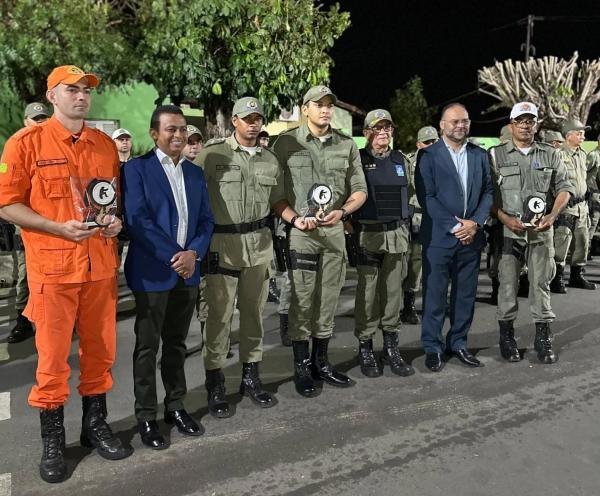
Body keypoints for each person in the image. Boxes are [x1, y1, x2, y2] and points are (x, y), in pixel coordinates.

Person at [0, 65, 132, 483]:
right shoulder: (25, 143)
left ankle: (94, 425)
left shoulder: (103, 146)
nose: (80, 96)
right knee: (53, 362)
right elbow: (6, 205)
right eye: (70, 90)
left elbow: (109, 202)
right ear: (52, 96)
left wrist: (114, 223)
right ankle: (53, 441)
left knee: (101, 354)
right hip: (53, 271)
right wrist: (57, 227)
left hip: (100, 267)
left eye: (85, 90)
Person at [122, 105, 213, 449]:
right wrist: (176, 257)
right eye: (171, 129)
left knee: (176, 345)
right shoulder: (136, 170)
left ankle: (175, 406)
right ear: (154, 133)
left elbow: (206, 220)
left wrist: (194, 254)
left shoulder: (193, 172)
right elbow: (137, 220)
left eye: (182, 130)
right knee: (147, 347)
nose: (178, 135)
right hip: (152, 273)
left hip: (188, 272)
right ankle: (146, 416)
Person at [272, 85, 367, 397]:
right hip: (302, 233)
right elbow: (275, 194)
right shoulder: (285, 143)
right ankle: (301, 367)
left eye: (329, 105)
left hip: (334, 233)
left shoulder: (346, 145)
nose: (325, 110)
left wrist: (342, 211)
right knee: (301, 299)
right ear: (305, 108)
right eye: (319, 105)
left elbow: (359, 190)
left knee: (328, 299)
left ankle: (321, 363)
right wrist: (295, 219)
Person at [194, 97, 284, 416]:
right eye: (247, 118)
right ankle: (215, 384)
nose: (253, 123)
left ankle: (250, 378)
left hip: (259, 247)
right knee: (218, 319)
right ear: (234, 121)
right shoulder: (211, 154)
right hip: (221, 247)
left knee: (254, 317)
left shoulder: (270, 161)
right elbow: (192, 198)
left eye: (258, 118)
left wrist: (300, 219)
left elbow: (278, 201)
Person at [489, 102, 574, 364]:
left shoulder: (550, 154)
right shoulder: (496, 155)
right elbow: (487, 195)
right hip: (508, 232)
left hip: (541, 231)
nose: (526, 125)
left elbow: (565, 187)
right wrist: (504, 218)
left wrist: (552, 215)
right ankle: (507, 337)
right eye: (521, 121)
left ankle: (543, 338)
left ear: (537, 125)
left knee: (541, 285)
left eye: (531, 121)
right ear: (511, 124)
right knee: (507, 285)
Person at [415, 102, 493, 372]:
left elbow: (488, 192)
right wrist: (456, 227)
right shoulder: (428, 156)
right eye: (454, 121)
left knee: (465, 296)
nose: (460, 125)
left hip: (471, 239)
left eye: (465, 121)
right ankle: (432, 347)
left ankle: (458, 342)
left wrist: (475, 223)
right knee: (435, 296)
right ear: (442, 125)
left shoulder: (480, 155)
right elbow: (428, 197)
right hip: (439, 239)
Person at [352, 109, 413, 378]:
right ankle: (365, 347)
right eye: (377, 129)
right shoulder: (358, 160)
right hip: (368, 234)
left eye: (387, 128)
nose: (383, 133)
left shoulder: (402, 160)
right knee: (367, 296)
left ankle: (391, 347)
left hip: (397, 236)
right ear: (366, 133)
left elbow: (410, 193)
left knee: (392, 295)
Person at [6, 102, 50, 344]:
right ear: (26, 122)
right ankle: (23, 321)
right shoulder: (17, 148)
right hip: (28, 228)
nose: (40, 122)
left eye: (44, 118)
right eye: (36, 119)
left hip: (55, 228)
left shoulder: (58, 147)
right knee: (26, 275)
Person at [550, 119, 595, 292]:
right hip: (566, 207)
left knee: (582, 243)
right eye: (579, 133)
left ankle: (577, 275)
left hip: (582, 206)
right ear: (568, 136)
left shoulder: (583, 154)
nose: (583, 136)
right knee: (562, 242)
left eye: (583, 133)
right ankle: (557, 277)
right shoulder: (558, 155)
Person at [401, 125, 439, 325]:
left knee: (418, 265)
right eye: (427, 142)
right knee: (399, 264)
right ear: (418, 144)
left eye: (434, 142)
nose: (431, 146)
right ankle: (390, 307)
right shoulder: (408, 163)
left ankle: (409, 306)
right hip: (407, 220)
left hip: (428, 221)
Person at [586, 132, 600, 258]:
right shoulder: (593, 155)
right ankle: (586, 249)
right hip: (594, 193)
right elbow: (583, 172)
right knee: (594, 220)